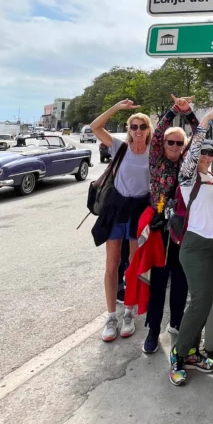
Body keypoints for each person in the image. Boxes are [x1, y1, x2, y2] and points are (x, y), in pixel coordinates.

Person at [169, 108, 213, 387]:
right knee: (200, 300)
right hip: (197, 246)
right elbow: (192, 155)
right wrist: (203, 124)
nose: (206, 156)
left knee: (205, 301)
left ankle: (192, 352)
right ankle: (179, 355)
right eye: (203, 152)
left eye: (211, 153)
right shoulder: (187, 178)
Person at [90, 100, 152, 342]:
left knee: (134, 266)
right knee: (112, 264)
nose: (137, 130)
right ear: (129, 129)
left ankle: (129, 313)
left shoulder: (152, 152)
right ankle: (111, 316)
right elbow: (96, 127)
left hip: (140, 209)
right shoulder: (119, 147)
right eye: (134, 126)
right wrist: (116, 107)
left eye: (142, 127)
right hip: (117, 209)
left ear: (148, 130)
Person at [142, 95, 199, 355]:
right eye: (170, 142)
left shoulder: (185, 163)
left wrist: (188, 113)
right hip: (159, 229)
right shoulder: (156, 160)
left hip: (182, 229)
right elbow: (156, 135)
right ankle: (153, 329)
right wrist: (174, 110)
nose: (174, 146)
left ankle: (175, 322)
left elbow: (199, 135)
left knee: (180, 279)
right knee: (158, 280)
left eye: (179, 142)